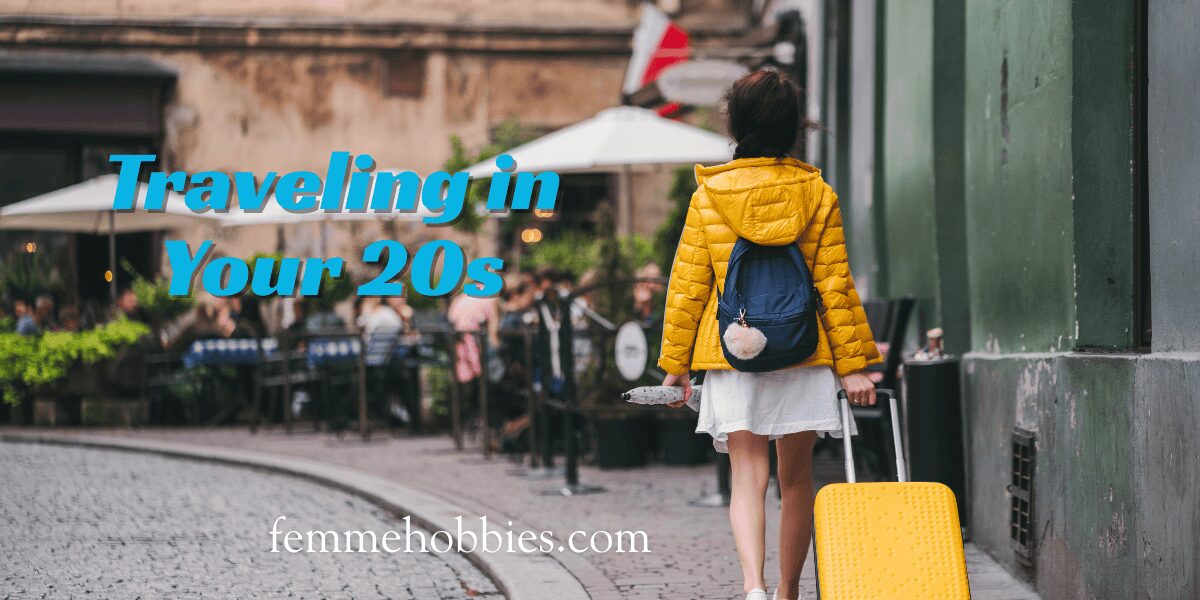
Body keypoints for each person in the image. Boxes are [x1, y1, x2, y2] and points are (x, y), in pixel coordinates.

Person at [658, 70, 881, 600]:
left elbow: (688, 285)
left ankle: (753, 586)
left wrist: (674, 364)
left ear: (734, 123)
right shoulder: (817, 193)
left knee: (747, 475)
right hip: (803, 349)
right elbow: (834, 284)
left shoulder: (710, 194)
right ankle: (787, 593)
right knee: (797, 478)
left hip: (731, 350)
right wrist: (853, 367)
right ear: (793, 127)